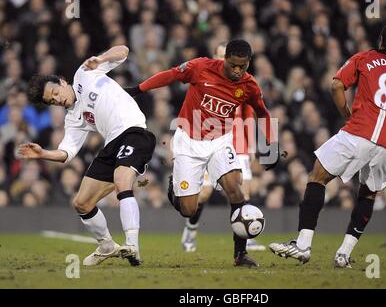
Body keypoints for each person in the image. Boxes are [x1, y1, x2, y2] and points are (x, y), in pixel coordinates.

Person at [269, 21, 386, 268]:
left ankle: (303, 245)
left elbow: (336, 84)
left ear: (382, 40)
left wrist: (347, 113)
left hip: (358, 131)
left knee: (317, 176)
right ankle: (343, 254)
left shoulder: (365, 57)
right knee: (368, 194)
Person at [126, 39, 278, 267]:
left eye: (243, 66)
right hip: (189, 142)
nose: (237, 71)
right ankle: (175, 188)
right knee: (188, 210)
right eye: (233, 65)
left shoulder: (249, 85)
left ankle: (240, 255)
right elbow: (170, 75)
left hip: (220, 141)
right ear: (225, 58)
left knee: (236, 192)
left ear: (248, 64)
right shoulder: (200, 67)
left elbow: (263, 113)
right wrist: (138, 89)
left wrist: (271, 146)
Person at [19, 45, 156, 267]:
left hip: (135, 132)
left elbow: (124, 50)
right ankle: (107, 246)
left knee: (122, 181)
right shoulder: (73, 118)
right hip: (112, 144)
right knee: (82, 203)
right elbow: (66, 153)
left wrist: (101, 58)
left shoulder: (84, 73)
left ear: (62, 81)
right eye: (52, 101)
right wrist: (43, 153)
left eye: (55, 93)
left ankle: (132, 246)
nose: (57, 100)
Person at [180, 43, 266, 253]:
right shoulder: (208, 77)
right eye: (219, 56)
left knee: (241, 192)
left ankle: (244, 241)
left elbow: (249, 116)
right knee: (204, 194)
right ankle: (190, 230)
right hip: (209, 141)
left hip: (238, 144)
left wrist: (252, 149)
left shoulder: (244, 83)